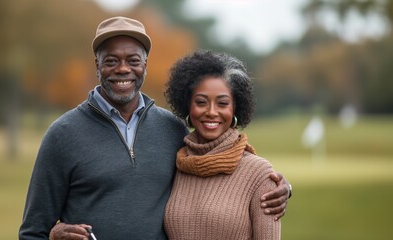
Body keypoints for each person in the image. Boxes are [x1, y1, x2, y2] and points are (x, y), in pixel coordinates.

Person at [19, 16, 290, 240]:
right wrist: (54, 236)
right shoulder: (63, 134)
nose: (123, 69)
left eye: (133, 60)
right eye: (111, 60)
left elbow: (221, 163)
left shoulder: (172, 130)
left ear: (145, 65)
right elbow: (33, 232)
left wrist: (280, 186)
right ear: (97, 65)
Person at [163, 50, 281, 239]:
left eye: (222, 103)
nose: (211, 112)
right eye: (201, 102)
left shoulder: (259, 173)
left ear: (235, 108)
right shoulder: (176, 164)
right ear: (188, 107)